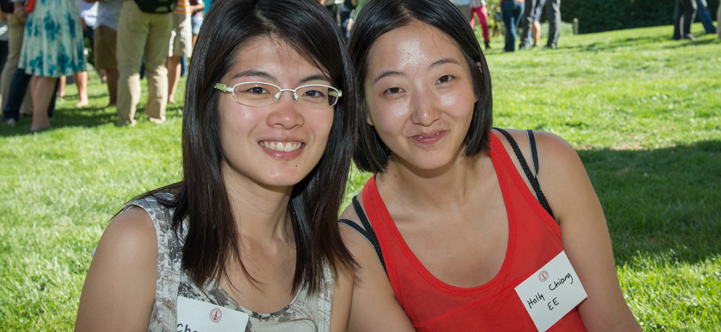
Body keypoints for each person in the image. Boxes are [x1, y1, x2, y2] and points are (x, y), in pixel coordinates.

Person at [340, 0, 642, 330]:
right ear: (364, 107)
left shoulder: (547, 167)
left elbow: (612, 321)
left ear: (475, 80)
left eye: (443, 78)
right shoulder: (357, 249)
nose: (425, 114)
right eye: (394, 89)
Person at [75, 0, 357, 330]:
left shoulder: (331, 271)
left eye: (312, 92)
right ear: (210, 100)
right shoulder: (142, 244)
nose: (288, 117)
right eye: (256, 89)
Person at [19, 0, 85, 131]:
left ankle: (41, 118)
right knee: (49, 69)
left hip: (41, 11)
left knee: (40, 70)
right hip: (56, 13)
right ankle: (38, 121)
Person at [114, 0, 173, 126]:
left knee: (129, 67)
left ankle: (125, 118)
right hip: (164, 10)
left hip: (136, 8)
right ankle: (156, 116)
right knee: (157, 66)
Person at [165, 0, 190, 105]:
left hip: (182, 14)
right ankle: (161, 95)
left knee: (176, 57)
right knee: (164, 56)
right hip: (164, 12)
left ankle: (169, 96)